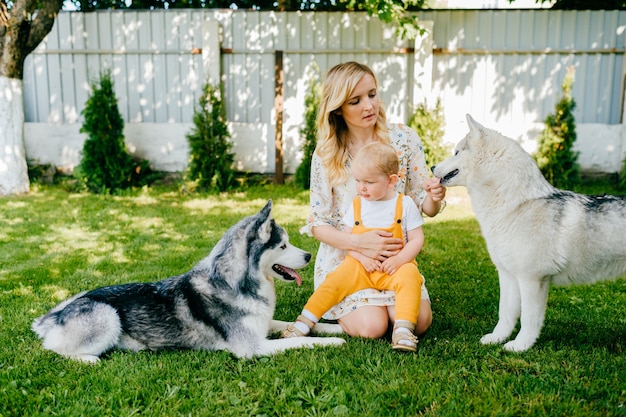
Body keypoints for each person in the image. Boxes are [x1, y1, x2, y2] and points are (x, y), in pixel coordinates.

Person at [298, 61, 447, 340]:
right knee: (373, 327)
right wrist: (358, 243)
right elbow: (318, 224)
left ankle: (392, 306)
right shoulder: (327, 153)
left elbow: (424, 204)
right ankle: (337, 312)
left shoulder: (403, 138)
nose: (369, 106)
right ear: (338, 107)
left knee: (420, 321)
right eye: (355, 101)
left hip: (395, 260)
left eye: (372, 94)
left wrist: (435, 197)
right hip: (348, 259)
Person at [282, 142, 426, 352]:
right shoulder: (357, 205)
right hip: (361, 266)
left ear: (391, 181)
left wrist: (399, 260)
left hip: (393, 267)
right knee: (335, 281)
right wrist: (363, 258)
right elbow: (350, 241)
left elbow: (416, 239)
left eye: (369, 182)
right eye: (357, 181)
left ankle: (403, 330)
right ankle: (304, 322)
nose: (361, 187)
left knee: (410, 277)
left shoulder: (404, 205)